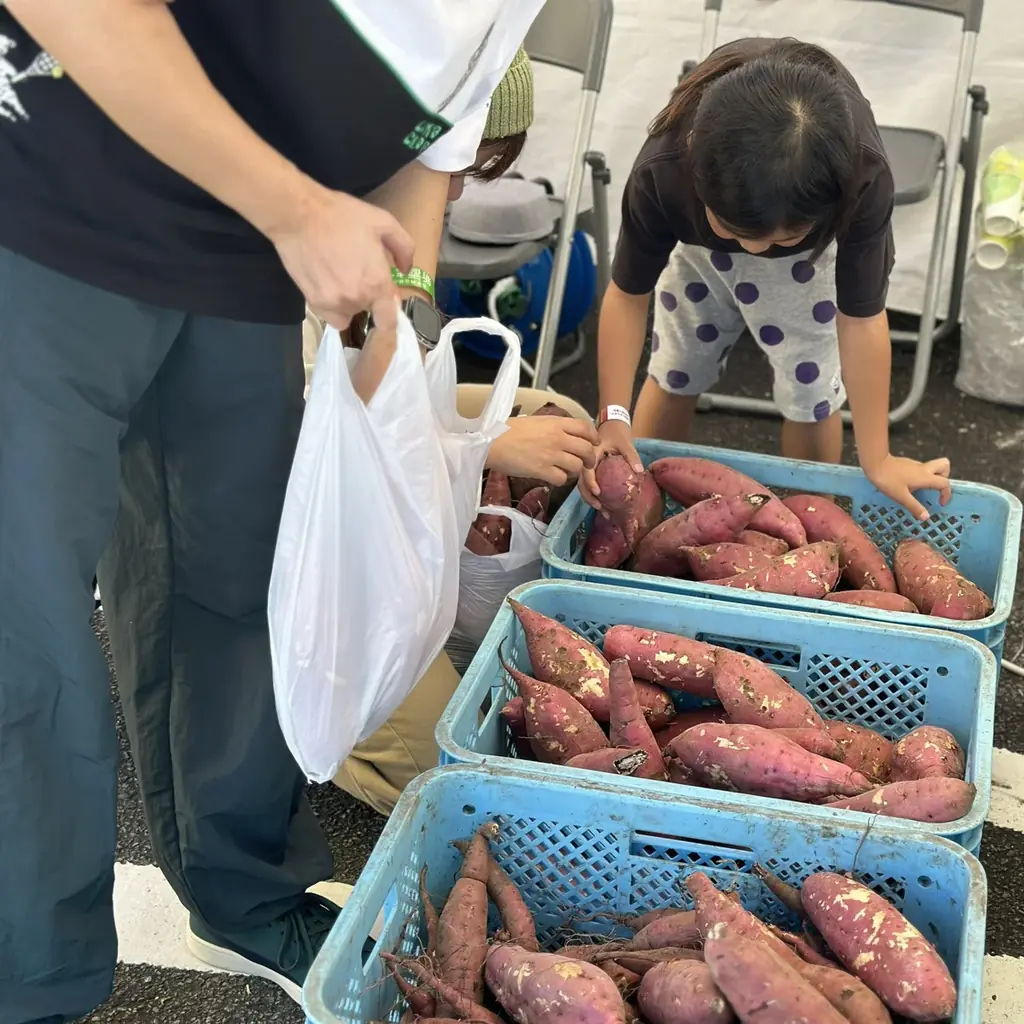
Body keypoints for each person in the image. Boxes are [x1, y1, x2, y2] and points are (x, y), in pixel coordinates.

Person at [0, 2, 561, 1022]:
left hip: (235, 253)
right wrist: (298, 210)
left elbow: (434, 131)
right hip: (38, 206)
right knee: (21, 626)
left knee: (232, 574)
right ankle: (27, 978)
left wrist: (391, 319)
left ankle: (244, 888)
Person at [330, 49, 599, 817]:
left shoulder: (394, 201)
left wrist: (504, 428)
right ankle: (294, 707)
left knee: (557, 417)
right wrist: (478, 448)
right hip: (303, 532)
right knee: (441, 768)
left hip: (377, 425)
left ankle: (444, 619)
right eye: (460, 162)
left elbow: (390, 366)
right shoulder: (315, 223)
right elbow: (322, 436)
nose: (456, 190)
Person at [580, 38, 952, 522]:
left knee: (810, 387)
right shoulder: (664, 171)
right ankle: (641, 502)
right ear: (697, 172)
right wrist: (613, 418)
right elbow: (629, 294)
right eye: (739, 232)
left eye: (783, 236)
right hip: (699, 253)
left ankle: (810, 518)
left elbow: (861, 318)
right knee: (675, 365)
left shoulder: (863, 176)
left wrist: (877, 457)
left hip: (809, 266)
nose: (757, 249)